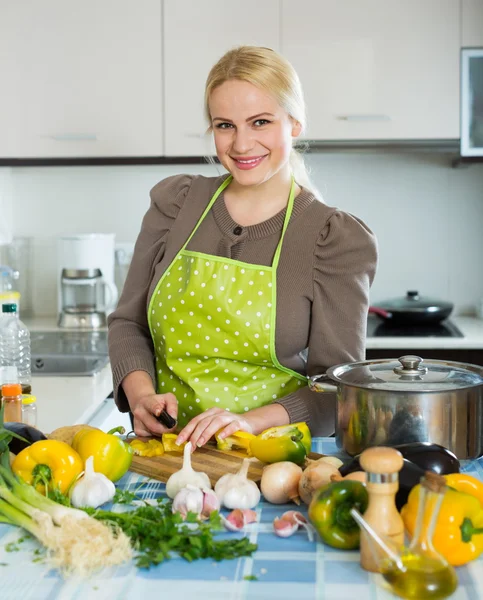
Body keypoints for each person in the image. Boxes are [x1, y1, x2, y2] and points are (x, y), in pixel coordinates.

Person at [108, 46, 378, 448]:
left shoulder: (332, 238)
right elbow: (128, 324)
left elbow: (337, 387)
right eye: (225, 125)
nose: (241, 144)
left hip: (270, 463)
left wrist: (248, 423)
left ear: (295, 123)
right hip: (162, 454)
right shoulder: (177, 205)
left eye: (261, 122)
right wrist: (142, 395)